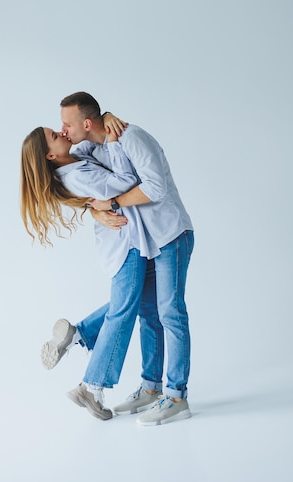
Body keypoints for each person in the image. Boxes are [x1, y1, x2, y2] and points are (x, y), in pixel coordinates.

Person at [60, 91, 194, 426]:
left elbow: (155, 188)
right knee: (148, 314)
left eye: (67, 123)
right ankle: (151, 388)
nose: (62, 130)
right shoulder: (97, 146)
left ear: (86, 123)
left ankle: (177, 396)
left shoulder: (131, 137)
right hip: (145, 242)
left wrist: (114, 203)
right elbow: (89, 183)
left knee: (170, 313)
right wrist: (95, 210)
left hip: (170, 235)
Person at [20, 120, 160, 421]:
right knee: (125, 311)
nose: (63, 132)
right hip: (127, 243)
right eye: (56, 136)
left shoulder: (76, 159)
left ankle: (77, 335)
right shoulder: (79, 174)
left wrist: (106, 117)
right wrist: (111, 141)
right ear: (50, 156)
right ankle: (92, 385)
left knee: (138, 304)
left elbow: (87, 140)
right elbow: (125, 180)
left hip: (126, 241)